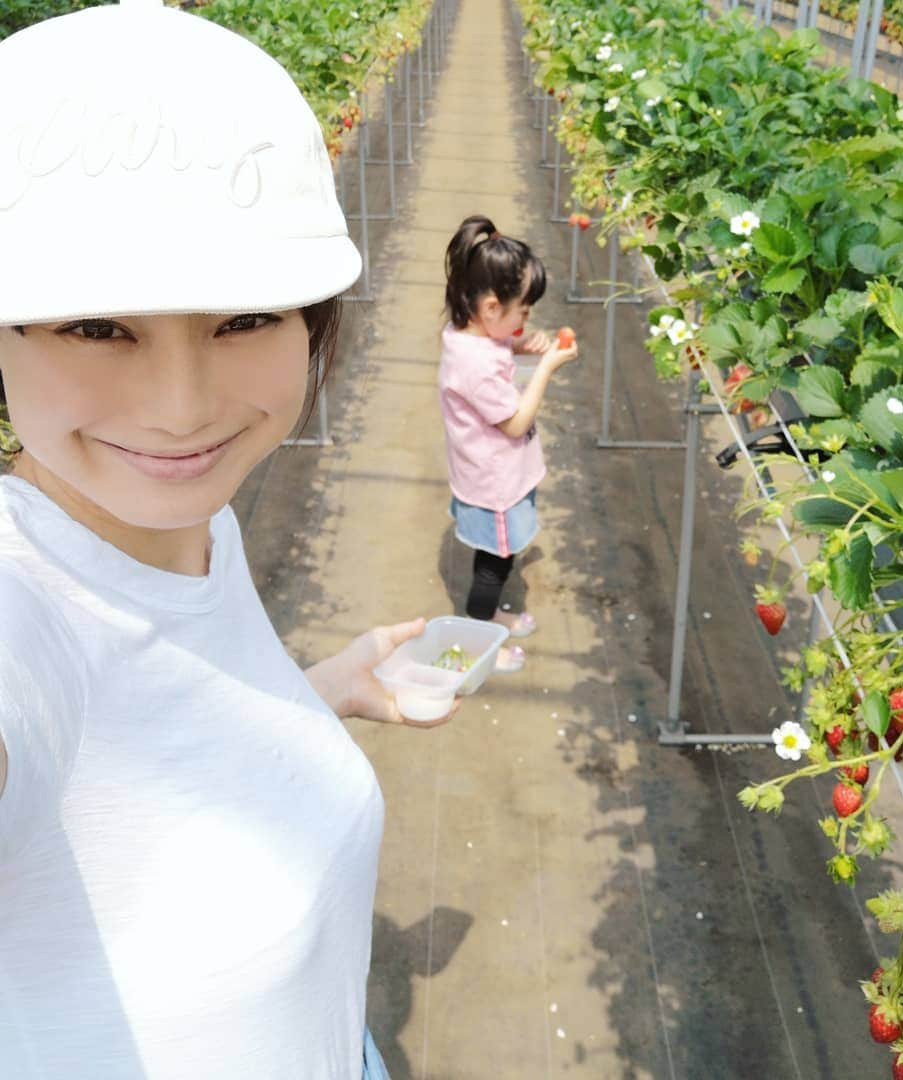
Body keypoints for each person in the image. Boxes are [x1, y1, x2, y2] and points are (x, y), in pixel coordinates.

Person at [0, 2, 428, 1076]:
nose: (183, 409)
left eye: (244, 317)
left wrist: (316, 690)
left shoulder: (192, 526)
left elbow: (153, 709)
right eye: (97, 326)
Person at [438, 216, 578, 672]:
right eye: (523, 310)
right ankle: (481, 642)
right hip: (495, 486)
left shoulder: (467, 335)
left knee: (497, 559)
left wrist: (515, 348)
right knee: (493, 567)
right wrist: (545, 369)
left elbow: (491, 352)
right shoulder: (474, 366)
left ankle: (490, 615)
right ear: (492, 308)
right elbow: (516, 423)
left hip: (493, 476)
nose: (527, 319)